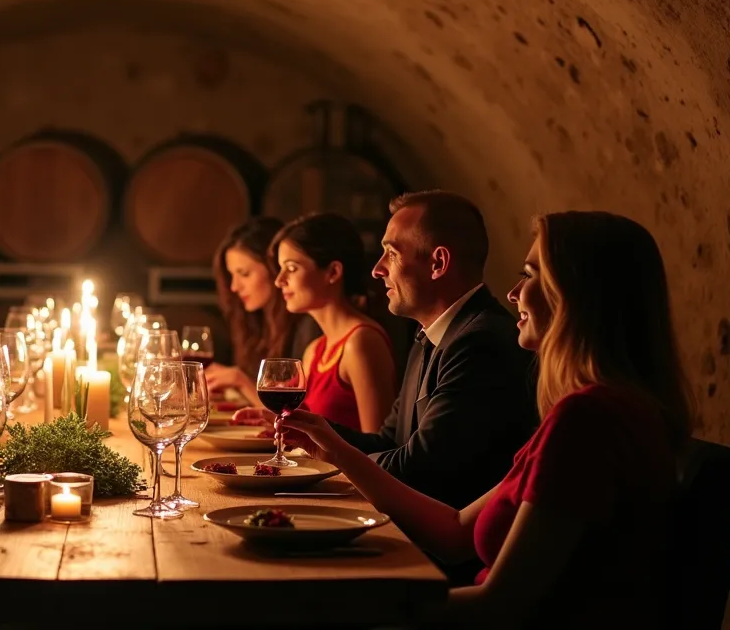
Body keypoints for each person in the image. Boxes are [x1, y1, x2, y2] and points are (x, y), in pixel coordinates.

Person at [282, 211, 690, 626]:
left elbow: (500, 605)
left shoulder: (588, 419)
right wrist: (334, 449)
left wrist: (350, 610)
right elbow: (456, 532)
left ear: (579, 295)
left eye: (529, 276)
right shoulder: (595, 410)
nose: (513, 293)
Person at [321, 190, 538, 511]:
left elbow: (418, 470)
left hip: (446, 555)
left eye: (391, 254)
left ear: (438, 263)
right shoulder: (432, 333)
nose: (377, 270)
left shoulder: (480, 343)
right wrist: (312, 431)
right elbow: (389, 442)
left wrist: (330, 453)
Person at [270, 212, 395, 432]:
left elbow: (377, 447)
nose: (279, 281)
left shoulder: (362, 342)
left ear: (333, 272)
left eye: (291, 268)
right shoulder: (315, 350)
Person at [205, 217, 320, 405]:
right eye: (231, 275)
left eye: (244, 274)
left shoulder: (308, 325)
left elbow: (297, 413)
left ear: (274, 268)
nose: (234, 287)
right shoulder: (256, 322)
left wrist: (240, 380)